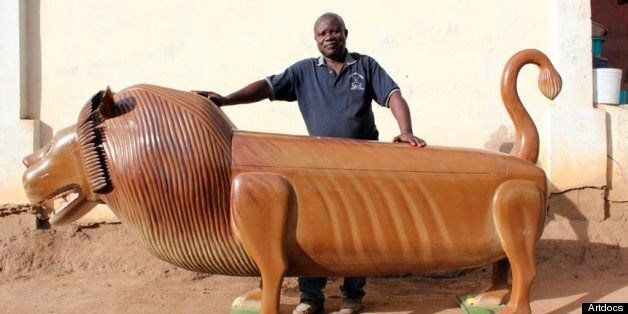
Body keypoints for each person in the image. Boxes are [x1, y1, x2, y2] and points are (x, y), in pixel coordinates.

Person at [194, 12, 426, 314]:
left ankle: (353, 295)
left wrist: (405, 131)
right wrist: (226, 99)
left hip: (362, 165)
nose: (329, 36)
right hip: (317, 167)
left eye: (334, 31)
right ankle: (311, 298)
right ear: (316, 40)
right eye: (323, 34)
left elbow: (393, 96)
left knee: (358, 227)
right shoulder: (303, 72)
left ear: (345, 33)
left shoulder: (365, 66)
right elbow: (266, 87)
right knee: (312, 228)